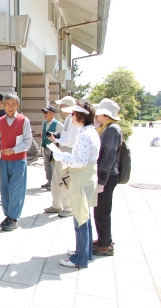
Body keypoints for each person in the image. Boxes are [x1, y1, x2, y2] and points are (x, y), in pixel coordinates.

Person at [54, 101, 100, 268]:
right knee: (84, 217)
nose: (71, 116)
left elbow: (80, 161)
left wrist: (62, 157)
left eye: (73, 114)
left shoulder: (85, 135)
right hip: (86, 178)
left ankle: (79, 258)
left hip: (81, 179)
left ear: (81, 115)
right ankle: (84, 252)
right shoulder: (90, 132)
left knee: (80, 219)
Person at [0, 93, 32, 231]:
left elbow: (28, 142)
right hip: (4, 161)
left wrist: (14, 150)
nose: (10, 107)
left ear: (17, 106)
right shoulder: (0, 121)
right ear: (3, 105)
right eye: (7, 104)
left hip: (19, 161)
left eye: (13, 104)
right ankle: (8, 215)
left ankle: (14, 218)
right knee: (6, 189)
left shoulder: (24, 120)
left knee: (16, 189)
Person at [93, 98, 122, 256]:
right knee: (100, 210)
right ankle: (103, 239)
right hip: (106, 175)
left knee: (102, 210)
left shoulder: (112, 129)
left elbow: (108, 157)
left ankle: (105, 244)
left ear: (105, 114)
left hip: (108, 176)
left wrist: (101, 181)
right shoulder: (108, 128)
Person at [45, 96, 79, 217]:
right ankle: (56, 205)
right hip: (62, 150)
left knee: (65, 180)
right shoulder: (68, 119)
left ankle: (68, 207)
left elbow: (70, 139)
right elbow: (66, 136)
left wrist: (56, 139)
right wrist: (57, 137)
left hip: (68, 152)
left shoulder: (74, 119)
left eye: (62, 106)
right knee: (56, 178)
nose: (60, 108)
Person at [41, 105, 62, 189]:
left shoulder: (58, 124)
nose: (45, 114)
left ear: (52, 113)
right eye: (44, 112)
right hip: (45, 147)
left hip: (54, 148)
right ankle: (49, 181)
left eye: (46, 112)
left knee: (54, 166)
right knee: (47, 166)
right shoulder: (44, 123)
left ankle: (54, 183)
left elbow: (59, 137)